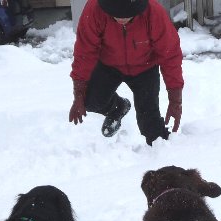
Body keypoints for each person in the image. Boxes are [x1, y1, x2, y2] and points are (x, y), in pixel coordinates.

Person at [68, 0, 183, 145]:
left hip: (145, 67)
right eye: (115, 14)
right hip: (108, 65)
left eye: (127, 15)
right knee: (90, 100)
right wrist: (78, 93)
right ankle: (119, 107)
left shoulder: (154, 12)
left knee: (150, 124)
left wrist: (175, 100)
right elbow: (84, 52)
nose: (121, 19)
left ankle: (162, 151)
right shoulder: (94, 9)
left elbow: (170, 55)